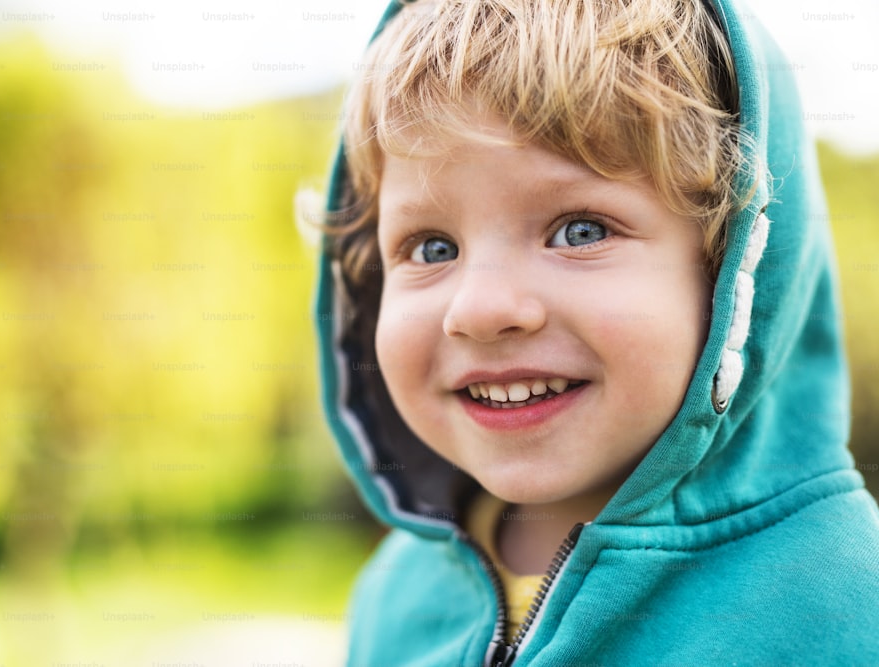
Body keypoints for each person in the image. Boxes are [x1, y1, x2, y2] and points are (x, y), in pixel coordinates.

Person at [313, 0, 879, 664]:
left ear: (734, 274)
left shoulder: (837, 602)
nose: (481, 308)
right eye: (432, 247)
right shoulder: (396, 593)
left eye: (580, 230)